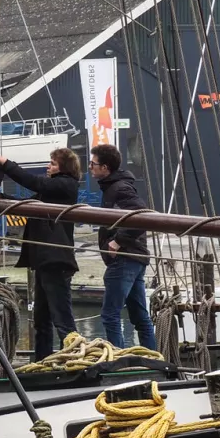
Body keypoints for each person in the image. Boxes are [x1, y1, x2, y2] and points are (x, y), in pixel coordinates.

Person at [0, 146, 81, 360]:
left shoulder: (65, 185)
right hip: (45, 260)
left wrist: (3, 161)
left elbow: (33, 182)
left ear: (64, 168)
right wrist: (0, 197)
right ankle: (42, 360)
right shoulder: (52, 190)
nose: (48, 166)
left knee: (61, 316)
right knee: (42, 318)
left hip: (55, 259)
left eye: (53, 163)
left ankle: (76, 357)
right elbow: (27, 204)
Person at [90, 143, 157, 350]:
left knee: (110, 315)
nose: (90, 167)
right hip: (134, 259)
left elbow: (141, 216)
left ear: (105, 167)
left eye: (92, 164)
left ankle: (117, 360)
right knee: (140, 316)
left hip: (125, 258)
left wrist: (117, 240)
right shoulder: (114, 186)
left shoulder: (119, 188)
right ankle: (152, 357)